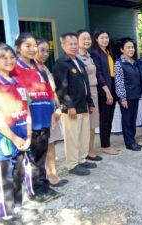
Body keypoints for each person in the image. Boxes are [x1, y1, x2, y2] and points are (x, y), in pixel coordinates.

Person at [0, 43, 33, 222]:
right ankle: (3, 214)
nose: (10, 61)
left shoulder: (18, 82)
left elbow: (26, 109)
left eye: (12, 57)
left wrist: (28, 135)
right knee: (4, 176)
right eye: (4, 57)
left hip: (20, 136)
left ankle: (17, 207)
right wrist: (15, 138)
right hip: (1, 138)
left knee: (18, 173)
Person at [12, 33, 61, 201]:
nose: (33, 49)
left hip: (44, 118)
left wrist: (54, 112)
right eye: (28, 46)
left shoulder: (38, 67)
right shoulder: (14, 69)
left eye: (34, 46)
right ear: (18, 47)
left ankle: (42, 185)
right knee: (31, 157)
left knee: (41, 154)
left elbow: (48, 91)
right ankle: (34, 190)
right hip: (28, 121)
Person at [53, 32, 97, 176]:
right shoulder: (60, 64)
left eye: (74, 44)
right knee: (72, 137)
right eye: (70, 44)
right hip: (72, 108)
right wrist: (69, 106)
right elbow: (61, 88)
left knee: (83, 135)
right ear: (63, 45)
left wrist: (90, 102)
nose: (73, 46)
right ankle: (72, 165)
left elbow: (85, 84)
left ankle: (82, 159)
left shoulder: (78, 61)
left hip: (83, 105)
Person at [35, 38, 68, 187]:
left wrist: (58, 108)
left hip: (52, 112)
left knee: (51, 144)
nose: (45, 54)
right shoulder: (31, 70)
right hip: (39, 114)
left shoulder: (44, 68)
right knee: (41, 147)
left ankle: (52, 173)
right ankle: (42, 178)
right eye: (41, 50)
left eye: (47, 51)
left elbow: (53, 91)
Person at [91, 29, 118, 155]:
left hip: (112, 86)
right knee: (105, 118)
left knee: (110, 117)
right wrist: (107, 92)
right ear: (96, 39)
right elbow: (99, 74)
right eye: (102, 37)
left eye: (107, 37)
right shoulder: (95, 53)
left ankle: (107, 142)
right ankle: (105, 145)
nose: (105, 40)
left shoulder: (108, 52)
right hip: (104, 89)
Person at [77, 29, 103, 161]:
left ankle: (90, 150)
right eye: (84, 39)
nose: (87, 41)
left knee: (92, 122)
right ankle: (83, 151)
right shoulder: (76, 57)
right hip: (84, 92)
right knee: (83, 124)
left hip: (94, 91)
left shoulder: (89, 56)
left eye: (88, 38)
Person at [115, 38, 142, 151]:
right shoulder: (119, 63)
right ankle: (129, 143)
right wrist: (122, 98)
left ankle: (132, 140)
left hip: (135, 95)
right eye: (128, 48)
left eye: (132, 47)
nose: (131, 50)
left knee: (132, 119)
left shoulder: (133, 62)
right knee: (127, 120)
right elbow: (119, 82)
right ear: (122, 50)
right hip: (126, 97)